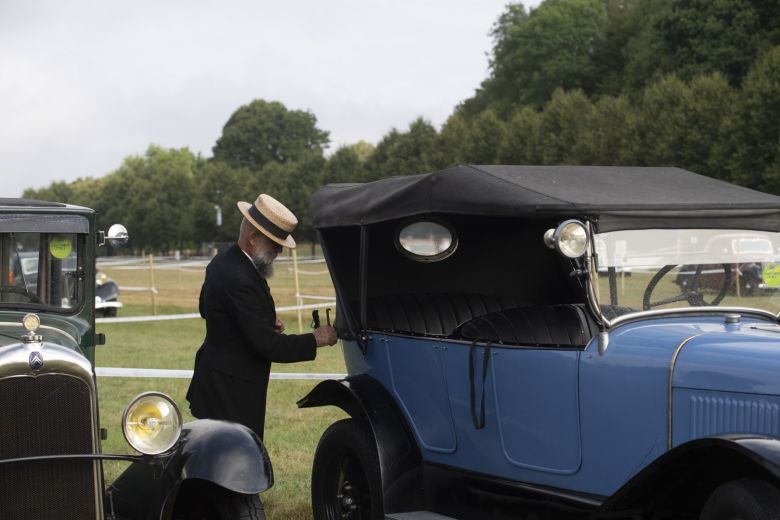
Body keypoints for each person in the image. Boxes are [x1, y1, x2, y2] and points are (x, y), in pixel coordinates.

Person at [186, 193, 338, 439]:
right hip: (231, 395)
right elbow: (269, 347)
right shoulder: (239, 278)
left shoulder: (224, 262)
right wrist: (317, 338)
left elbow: (209, 309)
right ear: (254, 239)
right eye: (275, 243)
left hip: (218, 384)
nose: (279, 250)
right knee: (233, 464)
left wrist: (261, 320)